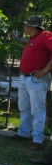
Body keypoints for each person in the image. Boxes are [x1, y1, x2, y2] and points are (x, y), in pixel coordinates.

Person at [11, 15, 52, 150]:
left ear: (32, 27)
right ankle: (23, 132)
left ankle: (37, 139)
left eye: (26, 25)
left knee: (37, 109)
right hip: (26, 77)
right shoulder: (33, 39)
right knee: (24, 106)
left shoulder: (45, 36)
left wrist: (44, 70)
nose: (24, 28)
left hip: (37, 79)